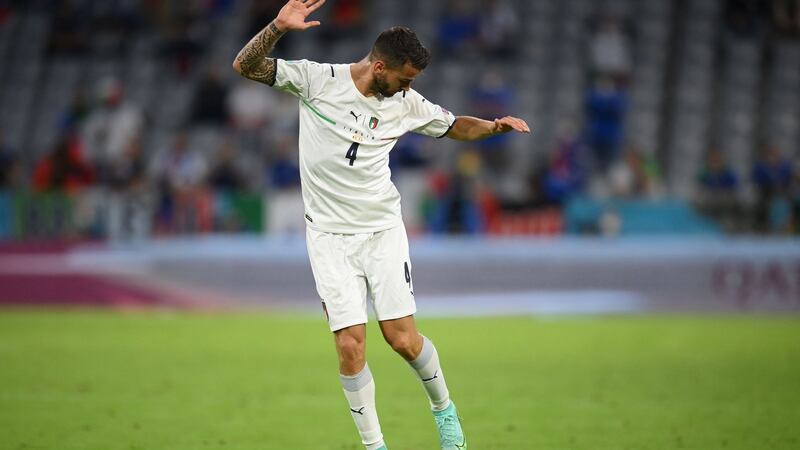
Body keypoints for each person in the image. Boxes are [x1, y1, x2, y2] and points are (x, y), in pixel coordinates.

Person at [232, 2, 530, 449]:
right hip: (330, 238)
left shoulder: (405, 103)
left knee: (403, 340)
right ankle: (375, 446)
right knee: (351, 346)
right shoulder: (317, 80)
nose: (409, 88)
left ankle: (444, 413)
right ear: (379, 66)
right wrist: (276, 27)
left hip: (381, 231)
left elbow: (452, 126)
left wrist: (492, 128)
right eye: (404, 79)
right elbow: (245, 65)